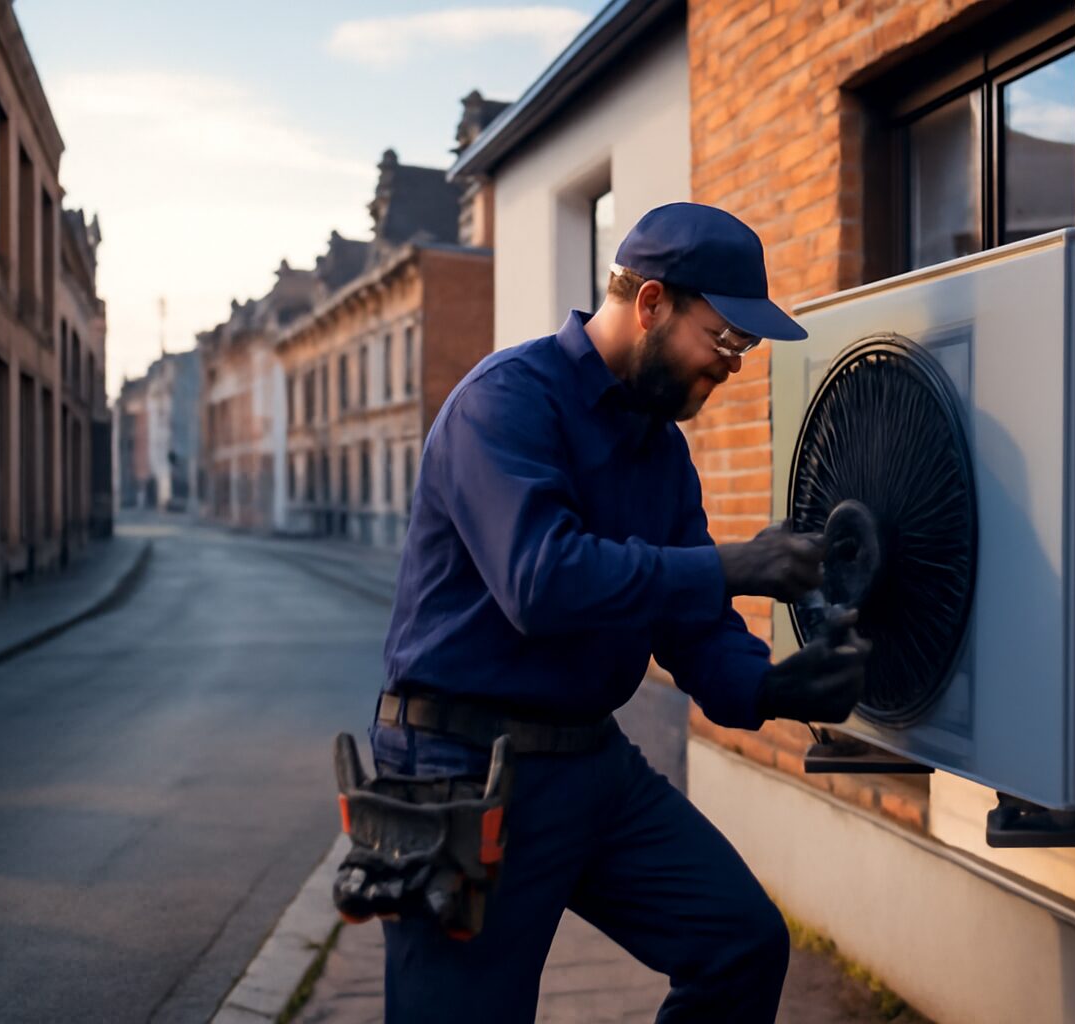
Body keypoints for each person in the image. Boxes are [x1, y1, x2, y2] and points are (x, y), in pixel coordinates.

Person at [371, 202, 870, 1022]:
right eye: (726, 338)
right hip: (459, 772)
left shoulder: (660, 451)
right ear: (650, 304)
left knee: (739, 943)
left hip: (589, 765)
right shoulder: (505, 403)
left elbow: (692, 625)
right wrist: (736, 563)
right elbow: (542, 581)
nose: (736, 364)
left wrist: (777, 687)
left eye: (746, 347)